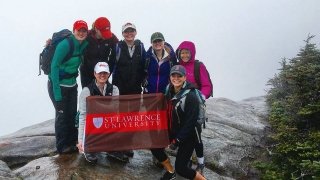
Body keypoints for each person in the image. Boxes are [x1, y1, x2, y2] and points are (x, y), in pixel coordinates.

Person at [48, 20, 89, 154]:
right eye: (79, 30)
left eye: (84, 31)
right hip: (58, 85)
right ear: (74, 30)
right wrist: (57, 94)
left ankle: (72, 142)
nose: (81, 33)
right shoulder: (65, 44)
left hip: (72, 85)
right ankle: (62, 146)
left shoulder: (83, 44)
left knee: (71, 114)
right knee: (62, 115)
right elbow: (54, 67)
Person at [176, 41, 212, 174]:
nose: (184, 55)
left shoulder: (198, 66)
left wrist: (202, 96)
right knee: (185, 132)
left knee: (196, 134)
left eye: (187, 52)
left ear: (192, 53)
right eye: (182, 52)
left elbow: (206, 85)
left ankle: (201, 163)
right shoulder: (177, 66)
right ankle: (188, 159)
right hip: (182, 105)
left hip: (196, 104)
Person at [165, 65, 206, 180]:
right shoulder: (169, 89)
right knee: (155, 143)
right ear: (170, 77)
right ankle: (168, 169)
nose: (176, 78)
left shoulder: (191, 97)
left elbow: (190, 124)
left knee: (181, 169)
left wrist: (177, 141)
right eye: (173, 75)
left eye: (179, 76)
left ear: (185, 78)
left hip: (188, 136)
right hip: (175, 131)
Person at [77, 62, 119, 163]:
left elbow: (116, 113)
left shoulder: (114, 89)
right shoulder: (86, 91)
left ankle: (112, 147)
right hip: (92, 125)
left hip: (108, 123)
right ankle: (89, 148)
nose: (102, 75)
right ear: (95, 74)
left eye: (105, 73)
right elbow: (82, 116)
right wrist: (80, 140)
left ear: (109, 74)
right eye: (100, 73)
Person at [80, 17, 119, 88]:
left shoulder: (111, 37)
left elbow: (119, 49)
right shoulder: (87, 36)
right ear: (96, 29)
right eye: (103, 32)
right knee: (88, 97)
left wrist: (108, 70)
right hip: (87, 74)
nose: (106, 35)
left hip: (103, 73)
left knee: (103, 97)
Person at [110, 22, 146, 95]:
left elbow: (144, 66)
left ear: (135, 32)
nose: (129, 33)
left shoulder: (140, 47)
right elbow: (110, 66)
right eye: (126, 31)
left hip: (136, 89)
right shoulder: (117, 48)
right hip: (119, 90)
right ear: (122, 33)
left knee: (136, 107)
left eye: (132, 31)